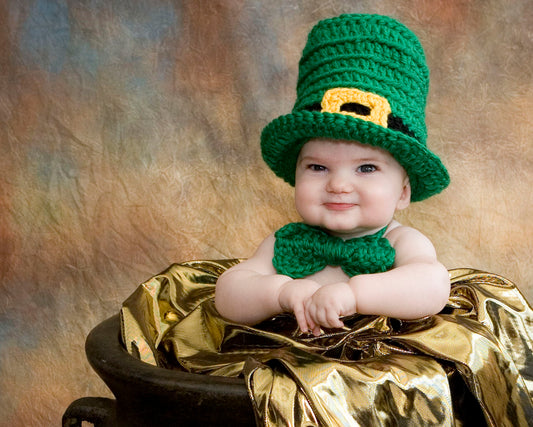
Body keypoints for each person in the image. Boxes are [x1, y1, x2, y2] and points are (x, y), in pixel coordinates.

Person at [215, 13, 451, 336]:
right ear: (297, 172)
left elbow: (434, 284)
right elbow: (227, 293)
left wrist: (355, 295)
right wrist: (280, 293)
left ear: (403, 192)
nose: (338, 185)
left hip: (376, 372)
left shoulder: (400, 242)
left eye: (366, 168)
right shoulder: (287, 243)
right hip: (292, 370)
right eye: (318, 167)